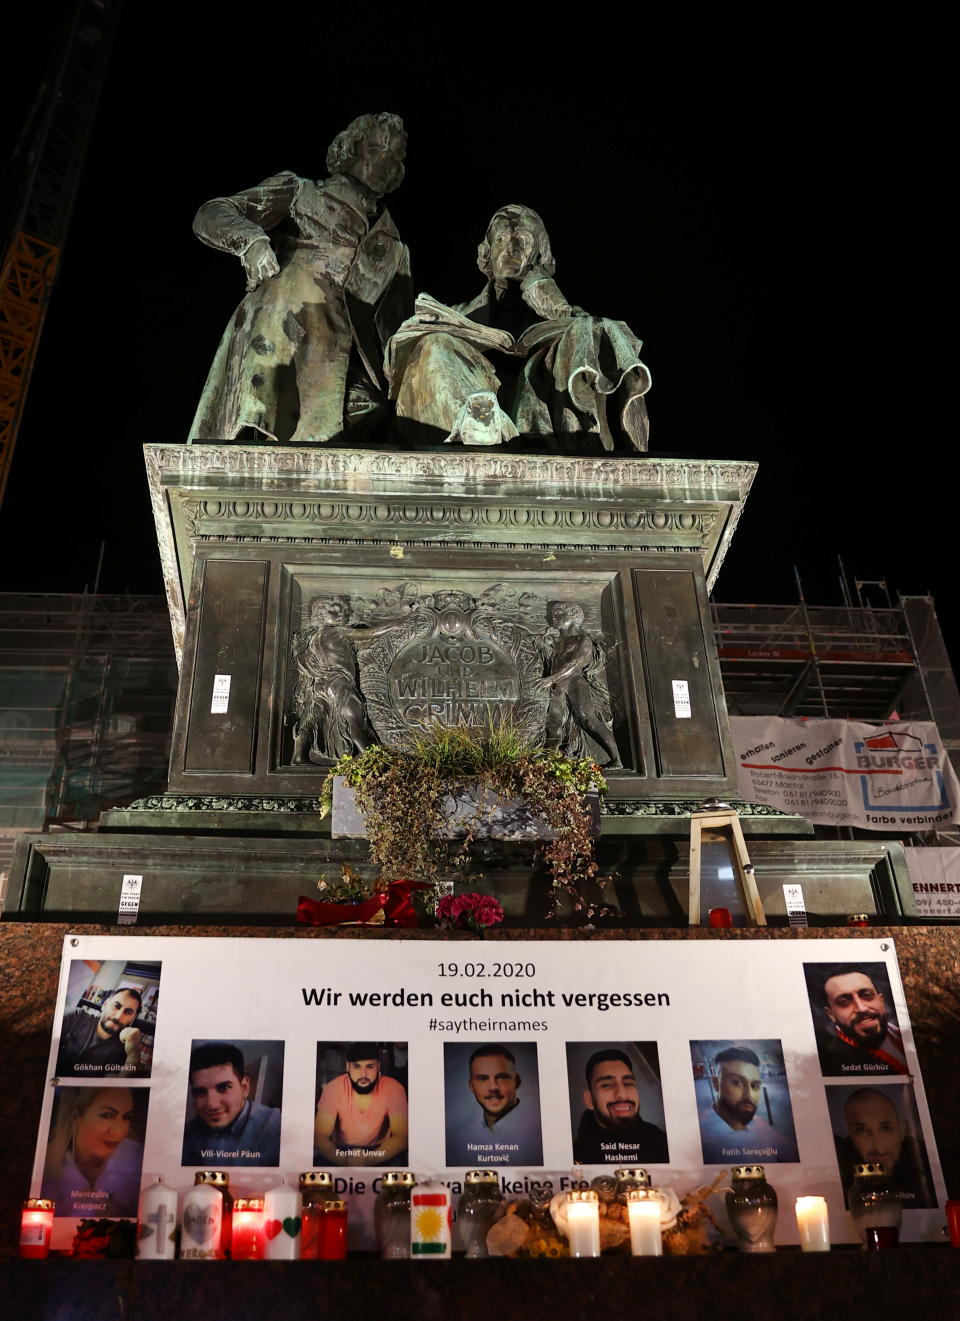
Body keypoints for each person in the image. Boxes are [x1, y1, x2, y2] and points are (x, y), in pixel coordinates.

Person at [190, 112, 409, 445]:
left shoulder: (393, 244)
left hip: (347, 358)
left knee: (374, 411)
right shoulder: (301, 191)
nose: (385, 159)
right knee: (270, 406)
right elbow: (212, 213)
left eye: (394, 154)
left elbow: (399, 330)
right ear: (351, 148)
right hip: (289, 324)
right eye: (376, 147)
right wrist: (251, 241)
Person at [386, 204, 651, 451]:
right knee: (434, 344)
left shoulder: (571, 318)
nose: (510, 249)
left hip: (540, 419)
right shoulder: (457, 316)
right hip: (463, 412)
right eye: (500, 240)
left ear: (539, 255)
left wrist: (554, 306)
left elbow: (607, 347)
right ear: (486, 254)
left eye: (521, 242)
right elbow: (396, 368)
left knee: (591, 331)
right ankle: (481, 426)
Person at [537, 601, 621, 767]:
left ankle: (616, 759)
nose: (554, 616)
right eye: (554, 613)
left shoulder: (583, 640)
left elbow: (575, 663)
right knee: (553, 725)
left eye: (559, 612)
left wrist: (551, 679)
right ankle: (547, 764)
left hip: (574, 683)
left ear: (573, 616)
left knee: (588, 720)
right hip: (557, 687)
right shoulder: (555, 640)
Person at [41, 1087, 143, 1216]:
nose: (119, 1131)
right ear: (77, 1117)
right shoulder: (47, 1167)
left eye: (127, 1117)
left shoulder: (136, 1157)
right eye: (107, 1115)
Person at [181, 1043, 281, 1166]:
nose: (212, 1105)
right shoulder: (191, 1129)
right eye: (200, 1092)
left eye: (224, 1087)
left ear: (244, 1087)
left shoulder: (276, 1129)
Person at [834, 1086, 936, 1207]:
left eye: (885, 1128)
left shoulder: (925, 1159)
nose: (879, 1149)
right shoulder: (837, 1161)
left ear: (902, 1129)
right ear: (850, 1133)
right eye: (861, 1130)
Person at [698, 1046, 798, 1163]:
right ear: (716, 1084)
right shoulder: (704, 1140)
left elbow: (787, 1150)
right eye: (737, 1082)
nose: (749, 1095)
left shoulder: (755, 1121)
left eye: (755, 1085)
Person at [314, 1043, 408, 1166]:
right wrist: (346, 1161)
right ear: (347, 1067)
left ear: (378, 1066)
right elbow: (320, 1136)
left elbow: (401, 1136)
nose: (363, 1075)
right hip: (341, 1150)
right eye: (357, 1066)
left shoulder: (394, 1088)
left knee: (399, 1162)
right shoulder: (333, 1088)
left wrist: (369, 1159)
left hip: (381, 1149)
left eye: (370, 1067)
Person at [447, 1045, 543, 1166]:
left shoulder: (542, 1134)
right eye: (482, 1078)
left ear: (517, 1081)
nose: (493, 1087)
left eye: (502, 1077)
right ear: (471, 1085)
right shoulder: (458, 1139)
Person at [572, 1048, 669, 1164]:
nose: (622, 1095)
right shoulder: (576, 1156)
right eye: (607, 1085)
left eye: (628, 1083)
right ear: (589, 1100)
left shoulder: (661, 1141)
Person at [818, 965, 908, 1075]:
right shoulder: (831, 1065)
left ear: (881, 1000)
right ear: (830, 1014)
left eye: (866, 995)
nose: (861, 1008)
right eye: (844, 1002)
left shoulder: (908, 1036)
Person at [55, 987, 144, 1077]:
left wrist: (134, 1053)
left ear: (133, 1018)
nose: (118, 1016)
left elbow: (118, 1086)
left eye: (128, 1012)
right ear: (105, 1004)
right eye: (116, 1006)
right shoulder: (76, 1017)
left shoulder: (124, 1048)